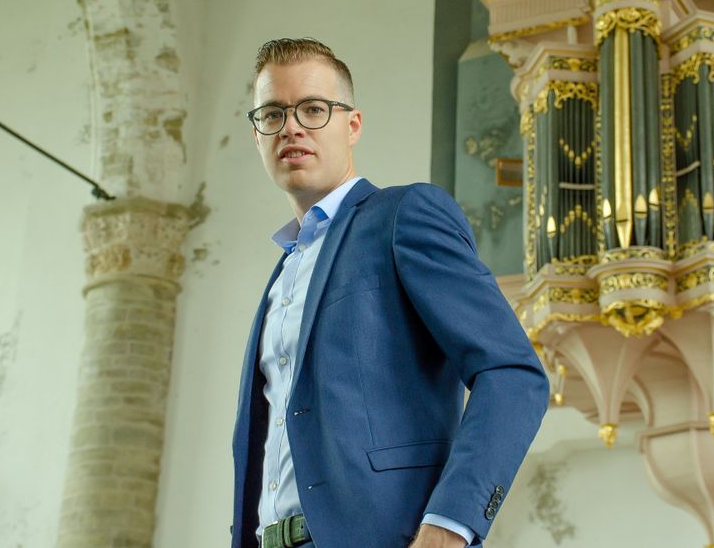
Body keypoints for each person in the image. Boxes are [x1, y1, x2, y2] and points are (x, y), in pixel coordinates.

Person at [231, 38, 549, 548]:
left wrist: (451, 525)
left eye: (313, 109)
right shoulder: (283, 274)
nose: (291, 126)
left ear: (351, 124)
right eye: (272, 113)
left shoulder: (403, 216)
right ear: (257, 133)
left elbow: (513, 374)